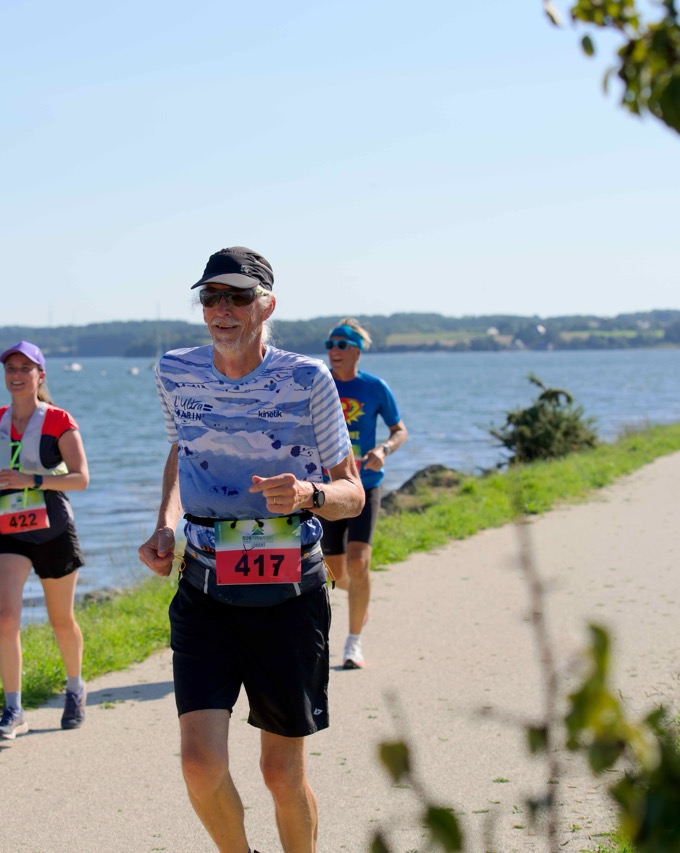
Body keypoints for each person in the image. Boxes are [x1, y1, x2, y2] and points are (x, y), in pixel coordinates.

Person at [138, 246, 364, 853]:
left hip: (288, 593)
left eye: (238, 297)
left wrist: (310, 493)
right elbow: (181, 452)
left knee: (280, 774)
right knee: (199, 765)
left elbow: (352, 494)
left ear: (267, 305)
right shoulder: (174, 371)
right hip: (205, 589)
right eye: (211, 296)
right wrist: (165, 525)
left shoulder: (307, 379)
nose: (222, 309)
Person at [0, 341, 90, 737]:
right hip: (8, 528)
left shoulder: (58, 420)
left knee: (61, 620)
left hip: (53, 528)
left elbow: (81, 478)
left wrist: (32, 480)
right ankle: (13, 710)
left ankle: (75, 688)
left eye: (26, 368)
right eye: (11, 368)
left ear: (41, 376)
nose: (17, 375)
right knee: (6, 617)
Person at [317, 318, 407, 670]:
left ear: (357, 351)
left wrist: (384, 450)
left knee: (358, 561)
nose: (333, 350)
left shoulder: (375, 388)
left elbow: (399, 430)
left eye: (341, 344)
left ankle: (353, 643)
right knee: (335, 571)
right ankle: (360, 596)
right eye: (330, 344)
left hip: (365, 483)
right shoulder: (319, 384)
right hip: (328, 489)